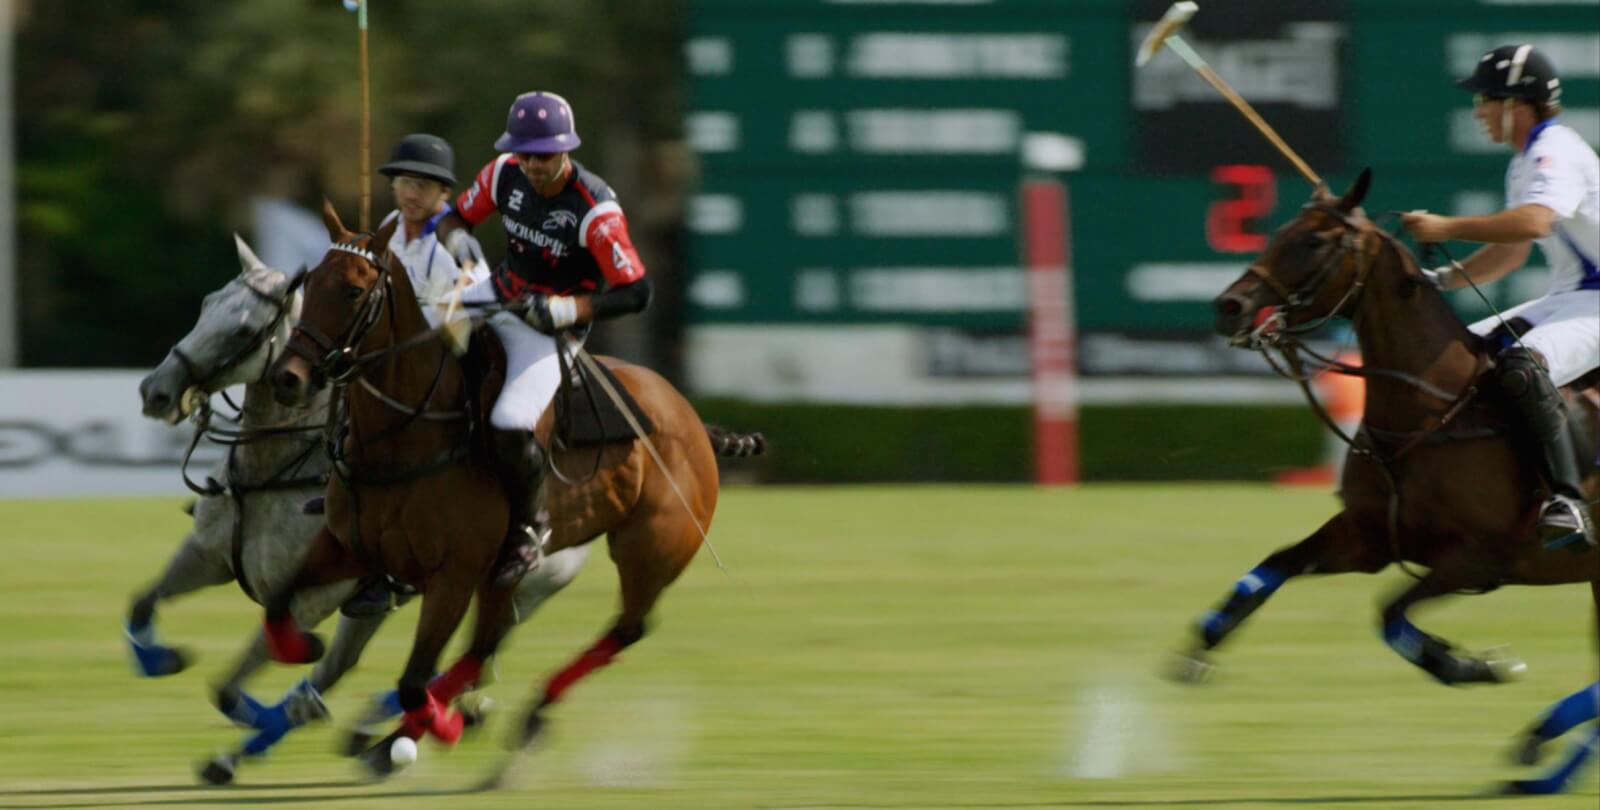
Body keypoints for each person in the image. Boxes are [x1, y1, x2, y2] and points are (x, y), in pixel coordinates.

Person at [435, 91, 653, 588]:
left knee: (511, 420)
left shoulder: (596, 211)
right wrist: (457, 239)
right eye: (525, 153)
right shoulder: (502, 173)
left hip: (549, 329)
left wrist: (570, 308)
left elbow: (638, 291)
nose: (533, 164)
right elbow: (455, 217)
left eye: (544, 155)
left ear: (566, 150)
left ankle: (530, 529)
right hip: (498, 293)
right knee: (410, 344)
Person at [1402, 44, 1599, 550]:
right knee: (1461, 356)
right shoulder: (1524, 160)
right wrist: (1440, 279)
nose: (1478, 110)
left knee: (1522, 365)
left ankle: (1567, 501)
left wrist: (1446, 225)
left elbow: (1533, 222)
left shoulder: (1554, 149)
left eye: (1486, 98)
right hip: (1571, 295)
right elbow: (1510, 254)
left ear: (1517, 103)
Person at [342, 132, 490, 617]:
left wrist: (452, 301)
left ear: (444, 195)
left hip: (444, 357)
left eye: (424, 186)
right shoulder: (386, 227)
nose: (411, 194)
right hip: (387, 363)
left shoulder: (452, 236)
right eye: (404, 182)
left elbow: (478, 295)